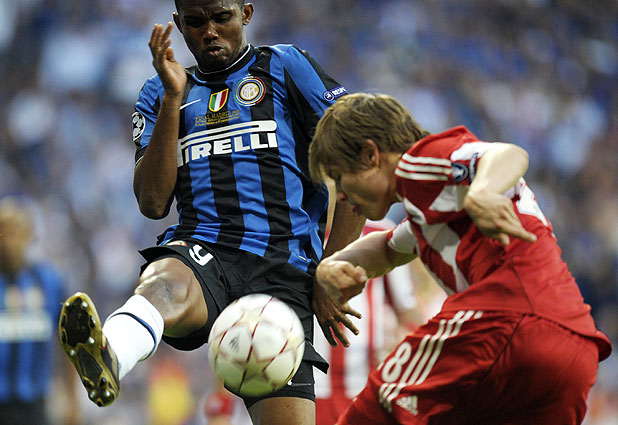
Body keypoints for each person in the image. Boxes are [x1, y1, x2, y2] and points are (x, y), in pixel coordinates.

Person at [58, 1, 365, 424]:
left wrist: (330, 267)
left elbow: (357, 159)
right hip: (204, 253)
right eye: (196, 22)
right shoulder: (159, 91)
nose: (209, 32)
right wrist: (172, 98)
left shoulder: (286, 66)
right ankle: (111, 352)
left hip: (283, 272)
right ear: (179, 23)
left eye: (221, 18)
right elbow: (152, 204)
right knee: (164, 281)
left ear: (246, 14)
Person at [308, 93, 612, 425]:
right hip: (574, 350)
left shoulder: (418, 162)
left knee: (375, 408)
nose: (340, 194)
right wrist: (330, 267)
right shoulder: (433, 212)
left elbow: (507, 154)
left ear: (371, 155)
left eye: (339, 176)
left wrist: (483, 191)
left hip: (507, 320)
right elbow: (387, 249)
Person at [314, 218, 444, 425]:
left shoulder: (379, 233)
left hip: (364, 384)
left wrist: (407, 349)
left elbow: (406, 312)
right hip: (311, 385)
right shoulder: (301, 234)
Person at [0, 197, 80, 425]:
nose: (8, 240)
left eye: (15, 231)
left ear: (29, 235)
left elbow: (68, 342)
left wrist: (72, 399)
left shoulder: (49, 282)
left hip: (35, 404)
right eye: (3, 231)